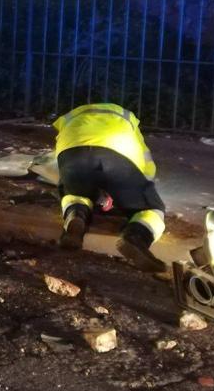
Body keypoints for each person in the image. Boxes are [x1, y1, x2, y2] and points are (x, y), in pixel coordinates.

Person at [53, 103, 166, 272]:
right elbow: (145, 163)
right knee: (152, 208)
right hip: (116, 155)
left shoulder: (70, 119)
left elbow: (61, 159)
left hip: (72, 155)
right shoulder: (127, 118)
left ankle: (76, 216)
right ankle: (136, 236)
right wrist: (140, 189)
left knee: (74, 192)